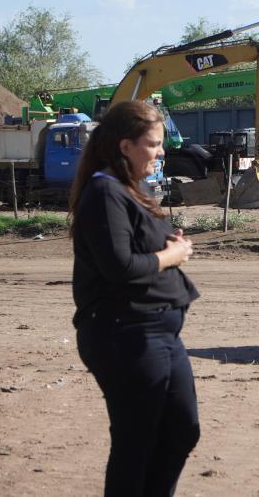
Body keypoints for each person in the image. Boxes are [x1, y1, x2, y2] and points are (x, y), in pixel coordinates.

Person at [69, 100, 200, 497]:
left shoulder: (129, 191)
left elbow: (136, 248)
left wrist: (168, 244)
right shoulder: (104, 192)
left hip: (158, 332)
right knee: (136, 442)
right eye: (154, 144)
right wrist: (170, 256)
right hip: (125, 333)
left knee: (181, 429)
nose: (161, 152)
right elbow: (120, 266)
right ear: (125, 146)